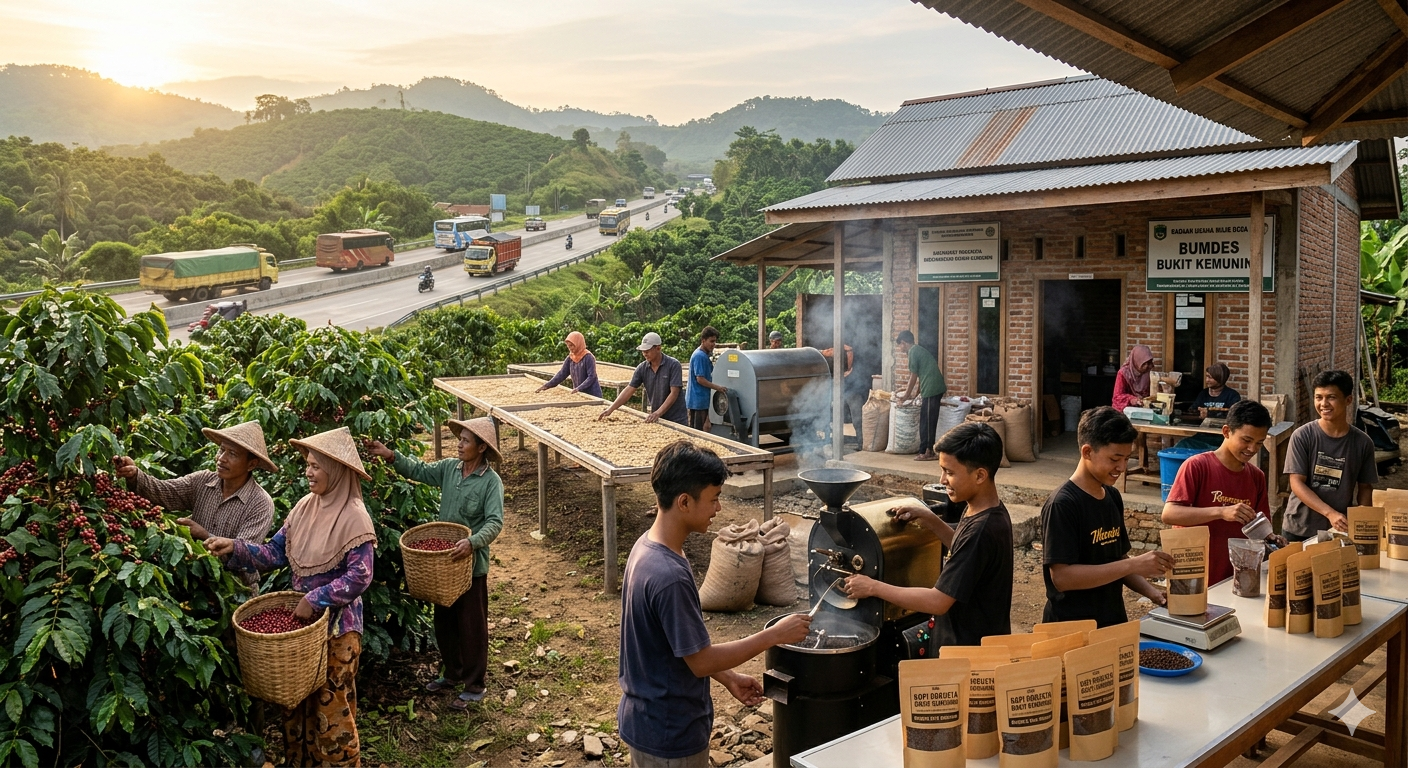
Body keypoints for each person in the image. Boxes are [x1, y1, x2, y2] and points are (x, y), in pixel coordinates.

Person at [617, 441, 811, 766]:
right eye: (714, 498)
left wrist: (730, 678)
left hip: (650, 721)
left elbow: (682, 649)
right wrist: (773, 635)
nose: (718, 509)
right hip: (670, 734)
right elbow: (701, 662)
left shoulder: (649, 547)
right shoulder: (669, 575)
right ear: (684, 502)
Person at [207, 427, 376, 767]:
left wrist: (317, 598)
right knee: (295, 709)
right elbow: (274, 553)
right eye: (308, 465)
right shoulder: (303, 508)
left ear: (337, 470)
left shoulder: (354, 514)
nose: (308, 472)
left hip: (337, 633)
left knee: (331, 713)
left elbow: (360, 576)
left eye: (316, 466)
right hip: (300, 633)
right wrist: (234, 548)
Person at [366, 418, 503, 710]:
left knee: (472, 625)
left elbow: (494, 522)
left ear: (481, 448)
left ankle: (475, 684)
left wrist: (472, 542)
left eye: (466, 441)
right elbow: (418, 470)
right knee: (444, 621)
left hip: (470, 564)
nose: (460, 444)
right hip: (443, 565)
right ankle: (452, 674)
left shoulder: (491, 482)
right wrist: (390, 455)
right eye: (460, 439)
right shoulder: (449, 469)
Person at [843, 422, 1012, 647]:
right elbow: (964, 549)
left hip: (966, 652)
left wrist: (873, 587)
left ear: (980, 475)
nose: (942, 480)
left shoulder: (981, 530)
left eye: (949, 472)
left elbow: (938, 601)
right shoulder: (987, 509)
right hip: (976, 639)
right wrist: (930, 519)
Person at [1041, 407, 1172, 627]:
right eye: (1114, 459)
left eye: (1126, 458)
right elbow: (1062, 578)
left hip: (1111, 621)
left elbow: (1118, 560)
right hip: (1072, 628)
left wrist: (1154, 594)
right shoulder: (1063, 504)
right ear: (1087, 452)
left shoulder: (1112, 496)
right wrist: (1134, 565)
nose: (1121, 467)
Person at [114, 421, 276, 591]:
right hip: (193, 584)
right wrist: (135, 475)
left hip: (235, 592)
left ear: (251, 464)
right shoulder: (202, 481)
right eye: (221, 450)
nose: (221, 459)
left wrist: (204, 534)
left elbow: (246, 556)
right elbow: (164, 492)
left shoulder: (260, 503)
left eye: (232, 454)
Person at [1162, 400, 1286, 585]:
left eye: (1259, 443)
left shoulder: (1256, 477)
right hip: (1195, 574)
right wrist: (1221, 511)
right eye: (1246, 440)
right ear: (1227, 431)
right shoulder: (1197, 466)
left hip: (1235, 576)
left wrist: (1270, 538)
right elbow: (1170, 514)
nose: (1252, 449)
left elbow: (1258, 524)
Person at [1283, 370, 1378, 540]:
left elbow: (1365, 488)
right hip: (1299, 529)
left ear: (1348, 400)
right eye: (1318, 397)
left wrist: (1364, 526)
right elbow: (1296, 482)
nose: (1323, 404)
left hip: (1337, 532)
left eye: (1331, 397)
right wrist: (1330, 513)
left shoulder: (1363, 443)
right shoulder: (1302, 436)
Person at [600, 332, 686, 425]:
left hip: (676, 418)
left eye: (647, 351)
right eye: (643, 351)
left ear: (658, 348)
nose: (644, 354)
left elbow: (674, 393)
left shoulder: (673, 365)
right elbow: (629, 389)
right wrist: (611, 408)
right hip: (658, 418)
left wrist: (658, 413)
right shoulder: (642, 368)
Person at [894, 330, 947, 461]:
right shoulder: (918, 350)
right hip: (932, 387)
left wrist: (906, 395)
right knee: (927, 419)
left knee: (927, 421)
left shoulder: (912, 352)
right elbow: (922, 373)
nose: (900, 349)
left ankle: (927, 451)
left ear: (904, 343)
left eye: (900, 346)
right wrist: (917, 393)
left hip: (932, 388)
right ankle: (927, 450)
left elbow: (913, 376)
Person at [537, 331, 603, 398]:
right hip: (579, 394)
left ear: (578, 344)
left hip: (592, 394)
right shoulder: (570, 358)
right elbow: (562, 374)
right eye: (568, 346)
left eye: (571, 345)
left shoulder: (588, 357)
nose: (570, 348)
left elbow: (591, 377)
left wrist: (579, 388)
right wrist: (547, 385)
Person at [686, 327, 728, 431]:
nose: (713, 344)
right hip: (698, 400)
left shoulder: (705, 355)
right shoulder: (699, 356)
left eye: (715, 341)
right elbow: (700, 379)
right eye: (711, 341)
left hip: (701, 399)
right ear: (703, 340)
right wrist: (718, 388)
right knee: (698, 430)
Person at [1111, 344, 1154, 413]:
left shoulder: (1148, 373)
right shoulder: (1123, 373)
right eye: (1144, 363)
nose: (1147, 366)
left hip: (1142, 411)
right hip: (1124, 412)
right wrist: (1133, 400)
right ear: (1137, 361)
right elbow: (1117, 397)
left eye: (1149, 363)